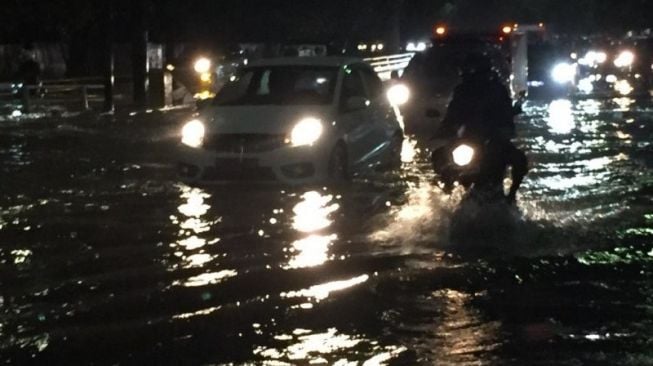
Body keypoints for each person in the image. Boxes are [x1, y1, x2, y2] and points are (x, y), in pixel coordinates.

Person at [436, 52, 528, 203]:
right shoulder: (461, 90)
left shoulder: (498, 89)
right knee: (438, 156)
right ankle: (447, 192)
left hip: (493, 138)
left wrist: (506, 124)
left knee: (519, 159)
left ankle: (511, 195)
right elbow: (452, 113)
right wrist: (445, 128)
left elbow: (506, 113)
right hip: (469, 138)